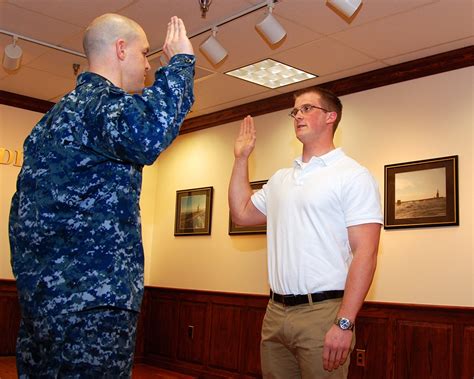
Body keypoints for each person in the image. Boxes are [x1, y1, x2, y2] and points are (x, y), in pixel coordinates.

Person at [9, 13, 194, 378]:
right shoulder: (98, 106)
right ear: (120, 48)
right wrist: (180, 63)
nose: (146, 66)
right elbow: (150, 133)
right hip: (90, 307)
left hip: (47, 304)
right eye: (144, 54)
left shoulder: (52, 119)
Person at [229, 87, 382, 378]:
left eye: (307, 108)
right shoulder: (281, 179)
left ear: (331, 117)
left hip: (323, 314)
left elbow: (366, 252)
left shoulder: (353, 175)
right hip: (275, 312)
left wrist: (344, 323)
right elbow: (242, 213)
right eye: (295, 111)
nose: (298, 115)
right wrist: (241, 158)